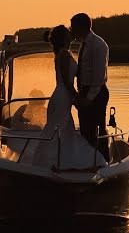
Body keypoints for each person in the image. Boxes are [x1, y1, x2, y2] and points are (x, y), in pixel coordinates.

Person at [18, 25, 106, 169]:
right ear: (65, 38)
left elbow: (73, 75)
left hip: (63, 96)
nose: (71, 34)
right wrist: (77, 98)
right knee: (59, 128)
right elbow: (66, 81)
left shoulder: (63, 53)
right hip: (62, 96)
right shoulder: (64, 54)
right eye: (68, 33)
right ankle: (54, 162)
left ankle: (55, 161)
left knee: (62, 129)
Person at [70, 13, 110, 162]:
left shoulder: (98, 45)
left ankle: (103, 160)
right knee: (86, 130)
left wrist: (89, 97)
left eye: (72, 26)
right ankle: (88, 160)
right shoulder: (84, 44)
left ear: (81, 27)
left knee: (97, 128)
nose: (71, 30)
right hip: (85, 91)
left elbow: (99, 76)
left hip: (96, 92)